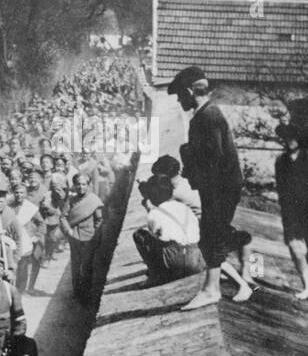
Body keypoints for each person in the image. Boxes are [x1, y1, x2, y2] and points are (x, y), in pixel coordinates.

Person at [169, 66, 254, 309]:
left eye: (179, 95)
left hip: (220, 187)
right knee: (212, 234)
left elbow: (214, 159)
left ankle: (212, 289)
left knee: (212, 234)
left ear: (188, 91)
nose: (178, 100)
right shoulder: (205, 115)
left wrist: (189, 158)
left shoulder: (208, 116)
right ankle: (219, 284)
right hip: (217, 186)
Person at [132, 175, 204, 286]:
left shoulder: (154, 214)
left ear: (151, 197)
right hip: (196, 261)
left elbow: (159, 238)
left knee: (139, 235)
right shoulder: (184, 207)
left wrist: (148, 208)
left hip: (174, 262)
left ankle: (155, 275)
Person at [274, 98, 308, 299]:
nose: (288, 141)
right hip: (291, 211)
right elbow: (281, 188)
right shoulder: (281, 162)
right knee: (296, 247)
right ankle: (306, 285)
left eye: (291, 136)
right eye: (285, 138)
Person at [59, 173, 104, 304]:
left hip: (88, 238)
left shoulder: (94, 200)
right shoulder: (71, 200)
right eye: (78, 184)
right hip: (74, 237)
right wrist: (68, 230)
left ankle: (87, 293)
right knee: (75, 265)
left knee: (87, 266)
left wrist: (95, 235)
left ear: (88, 185)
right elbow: (63, 217)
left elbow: (99, 220)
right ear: (74, 185)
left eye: (84, 184)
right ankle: (76, 291)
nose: (81, 187)